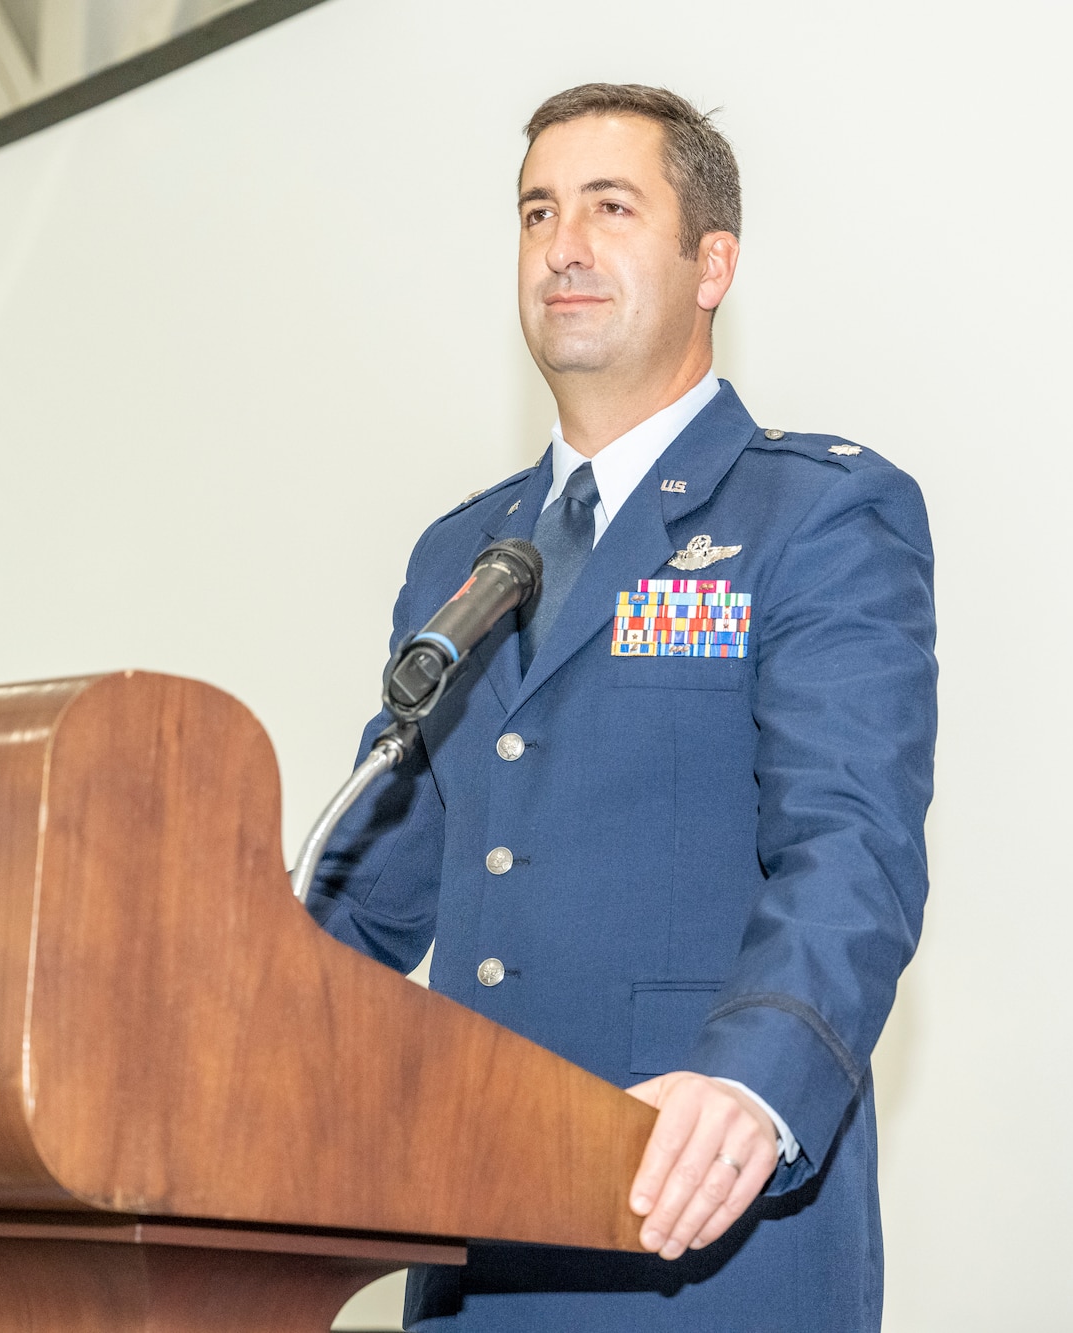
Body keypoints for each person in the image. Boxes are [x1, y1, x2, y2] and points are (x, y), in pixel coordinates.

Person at [307, 82, 937, 1332]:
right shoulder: (462, 557)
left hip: (700, 1230)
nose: (561, 246)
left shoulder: (810, 517)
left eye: (608, 207)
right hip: (472, 1241)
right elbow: (374, 890)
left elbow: (849, 849)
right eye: (536, 212)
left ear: (713, 262)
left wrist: (748, 1090)